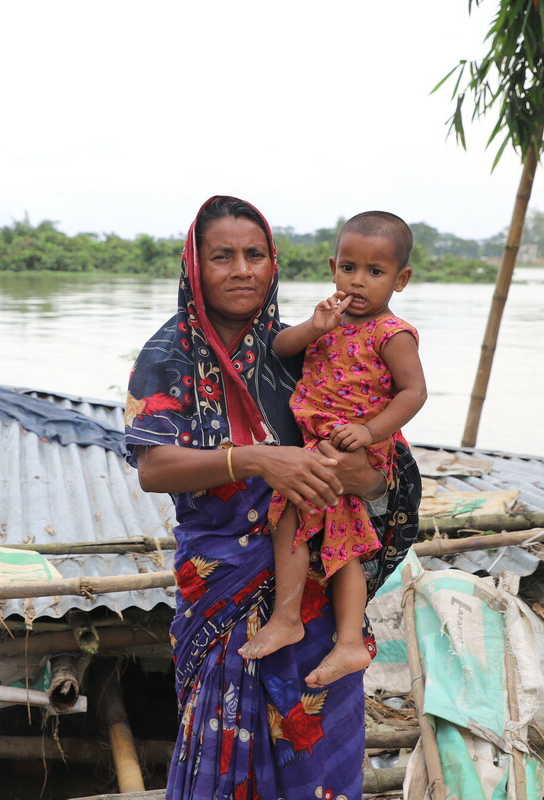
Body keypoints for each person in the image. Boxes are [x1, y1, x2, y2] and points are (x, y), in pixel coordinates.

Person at [126, 196, 420, 799]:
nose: (242, 270)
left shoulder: (309, 347)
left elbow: (388, 471)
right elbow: (154, 468)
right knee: (225, 745)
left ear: (274, 263)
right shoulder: (168, 355)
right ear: (194, 266)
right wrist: (255, 458)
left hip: (319, 583)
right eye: (222, 257)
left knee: (316, 759)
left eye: (255, 254)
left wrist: (361, 475)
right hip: (224, 584)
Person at [238, 212, 426, 690]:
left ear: (400, 279)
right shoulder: (331, 320)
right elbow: (280, 347)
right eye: (348, 268)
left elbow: (412, 393)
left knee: (298, 521)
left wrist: (368, 431)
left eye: (375, 272)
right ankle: (340, 640)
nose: (358, 282)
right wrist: (314, 326)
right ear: (333, 267)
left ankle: (298, 622)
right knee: (341, 537)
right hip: (320, 443)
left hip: (357, 446)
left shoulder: (393, 333)